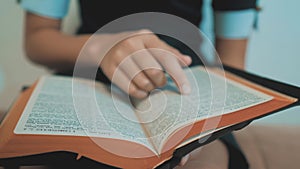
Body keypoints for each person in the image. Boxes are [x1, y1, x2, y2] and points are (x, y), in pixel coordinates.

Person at [19, 0, 262, 168]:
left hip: (184, 81)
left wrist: (205, 116)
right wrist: (100, 47)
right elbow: (38, 38)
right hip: (89, 73)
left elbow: (230, 63)